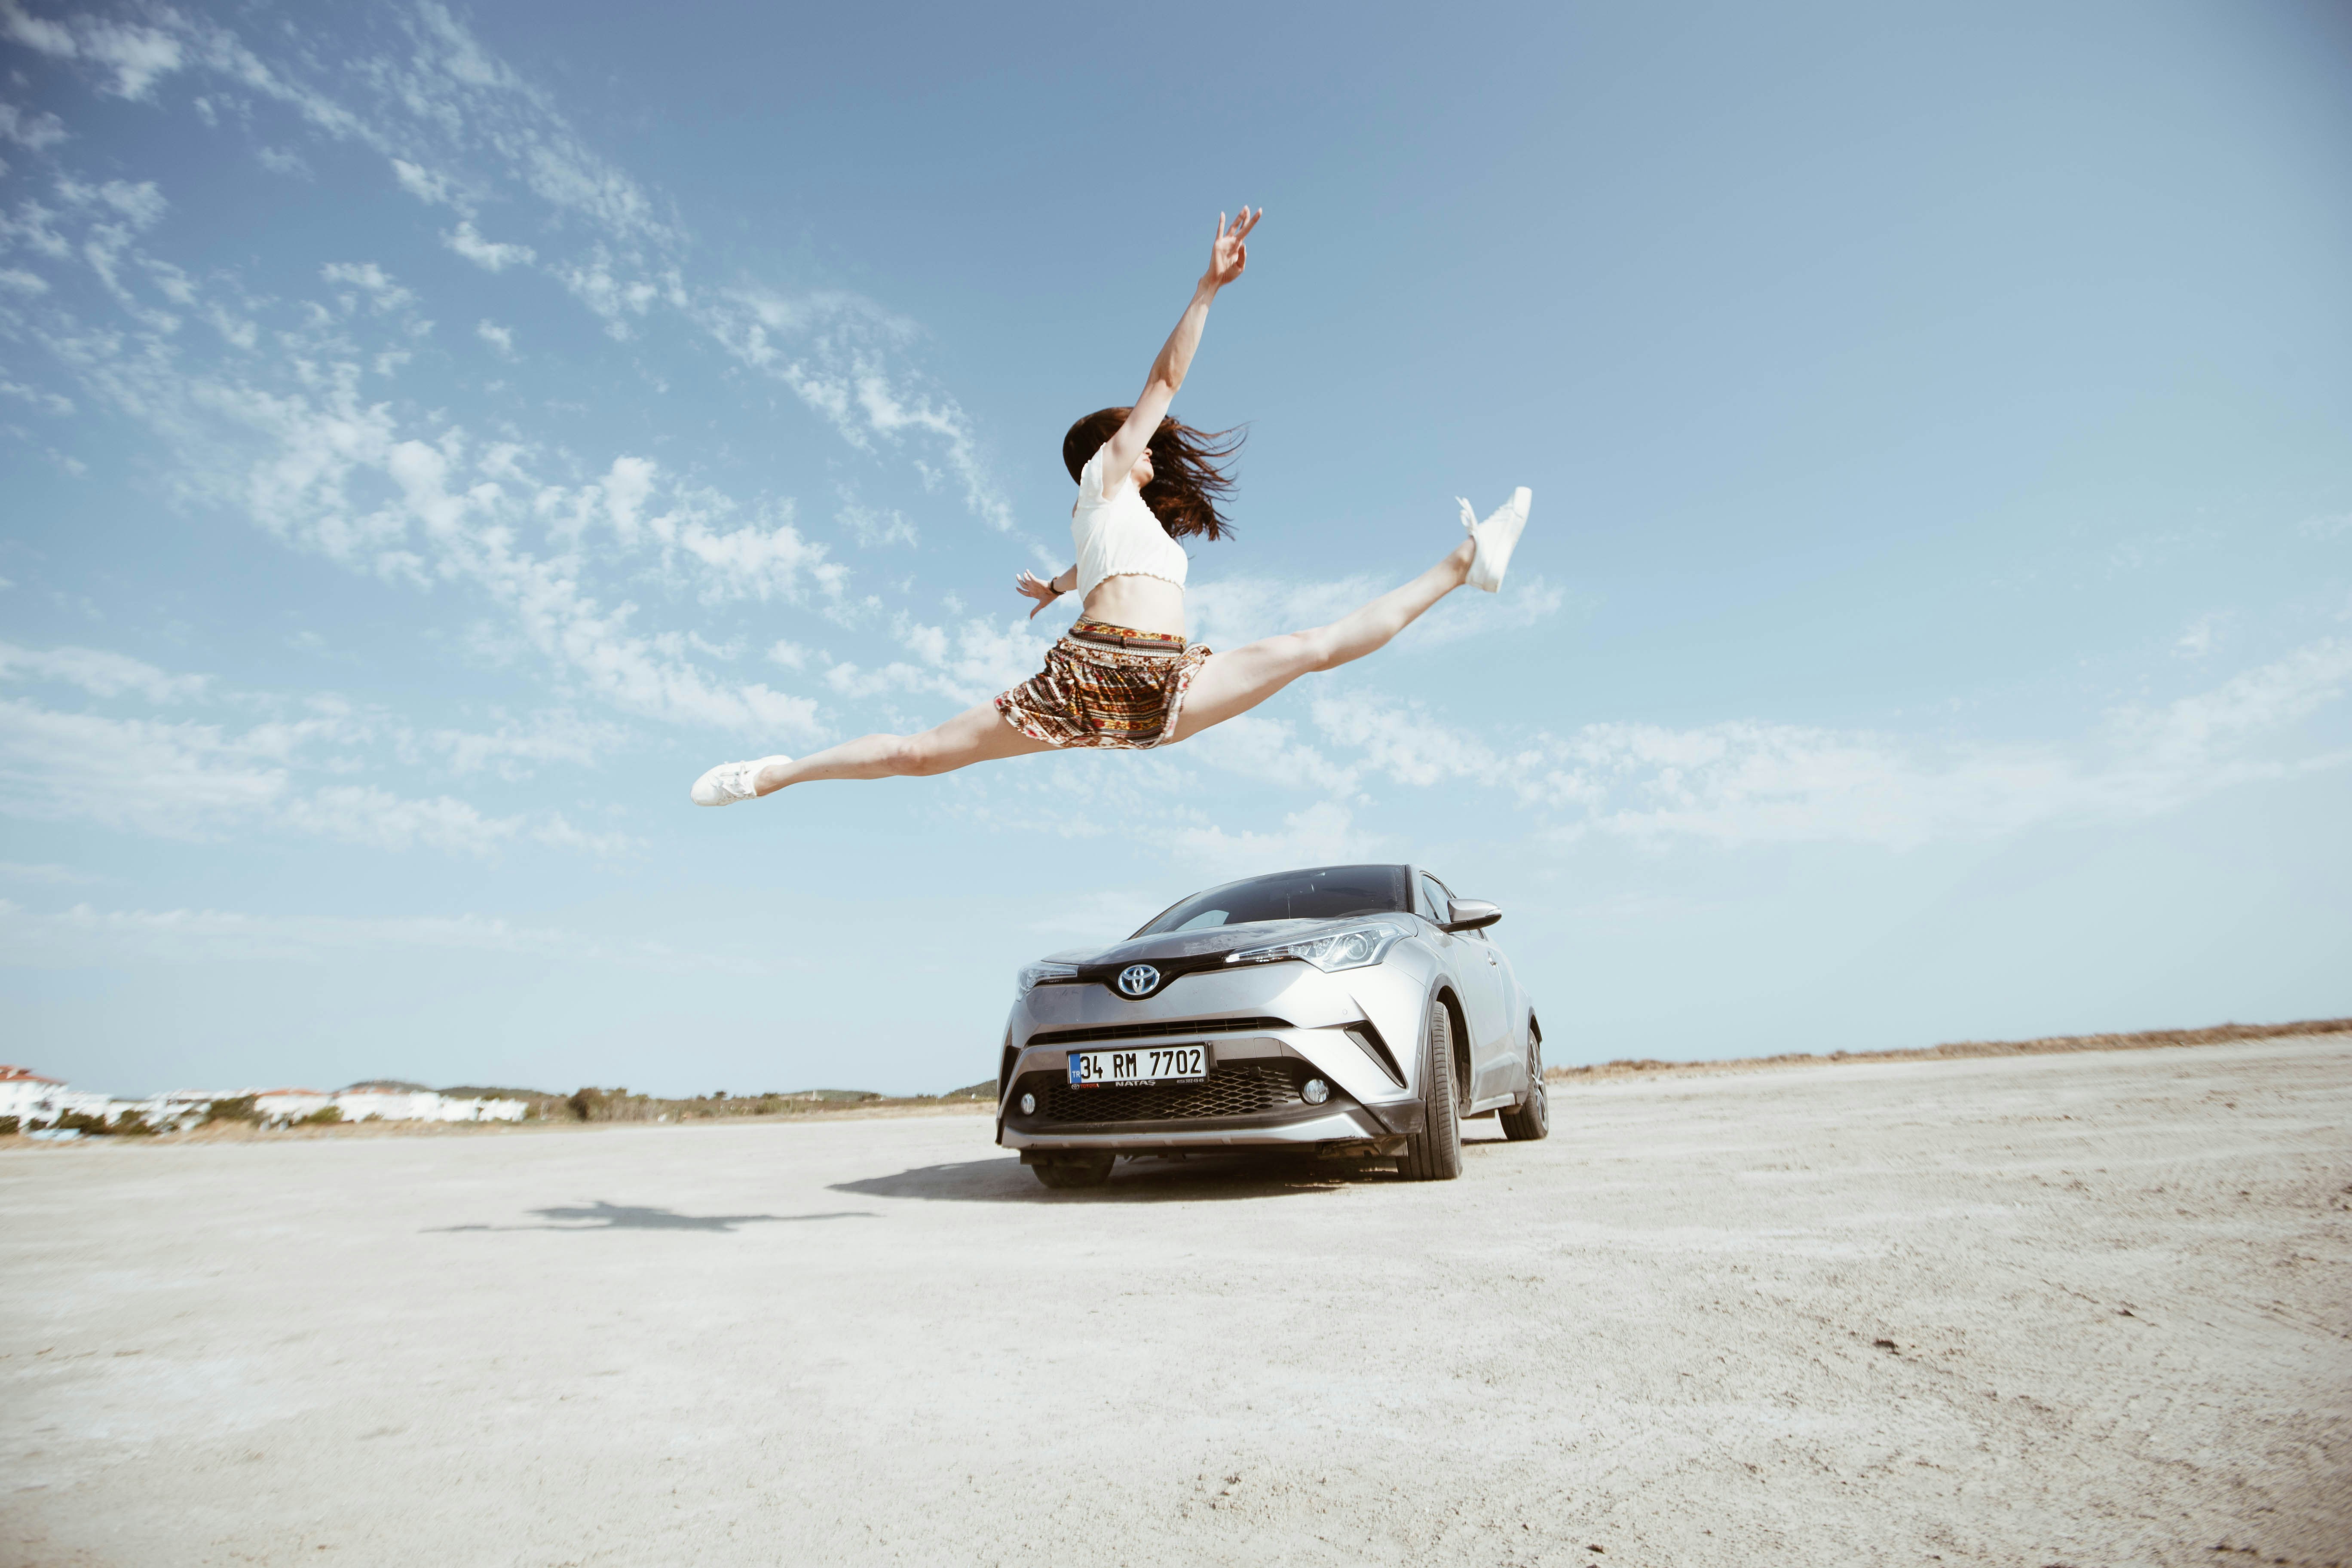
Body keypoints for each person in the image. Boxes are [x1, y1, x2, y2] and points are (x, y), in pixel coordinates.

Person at [690, 208, 1530, 806]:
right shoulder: (1104, 473)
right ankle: (770, 775)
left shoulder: (1123, 526)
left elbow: (1098, 560)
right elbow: (1165, 382)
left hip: (1164, 686)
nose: (1152, 446)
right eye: (1135, 440)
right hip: (1091, 671)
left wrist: (1057, 584)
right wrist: (1207, 289)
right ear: (1108, 452)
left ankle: (1466, 566)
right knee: (918, 755)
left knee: (1315, 647)